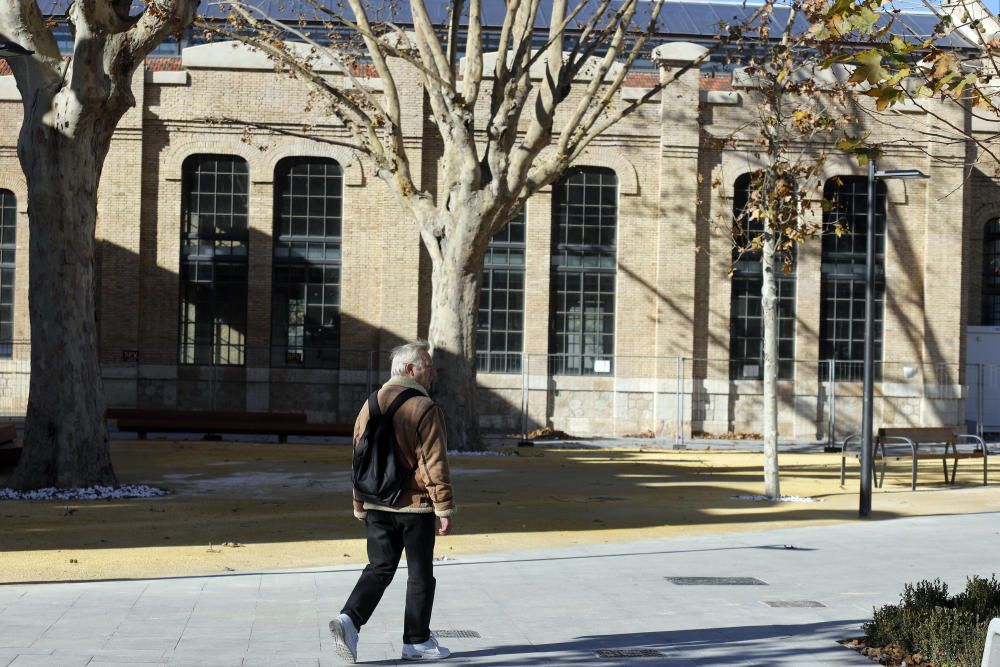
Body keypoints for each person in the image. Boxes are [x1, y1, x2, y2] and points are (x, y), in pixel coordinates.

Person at [329, 340, 456, 663]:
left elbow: (358, 458)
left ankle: (349, 620)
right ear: (410, 370)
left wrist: (359, 503)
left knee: (379, 568)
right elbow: (433, 463)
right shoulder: (424, 408)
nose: (433, 374)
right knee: (420, 573)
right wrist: (443, 507)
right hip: (414, 506)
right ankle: (416, 641)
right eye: (428, 367)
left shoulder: (369, 404)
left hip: (375, 503)